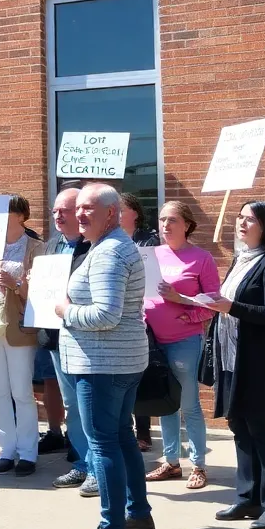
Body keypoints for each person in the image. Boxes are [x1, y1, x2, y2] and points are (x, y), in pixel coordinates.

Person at [55, 183, 153, 529]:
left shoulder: (109, 252)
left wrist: (65, 311)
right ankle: (138, 513)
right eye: (78, 207)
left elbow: (105, 314)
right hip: (118, 361)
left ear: (111, 213)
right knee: (121, 437)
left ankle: (112, 526)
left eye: (88, 208)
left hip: (103, 364)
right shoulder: (111, 247)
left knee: (104, 443)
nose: (80, 214)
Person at [203, 201, 265, 529]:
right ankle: (248, 498)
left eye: (250, 219)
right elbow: (231, 306)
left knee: (259, 428)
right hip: (231, 357)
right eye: (239, 217)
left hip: (259, 360)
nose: (241, 223)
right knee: (239, 425)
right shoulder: (241, 260)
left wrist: (231, 306)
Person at [143, 201, 220, 490]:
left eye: (172, 220)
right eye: (162, 219)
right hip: (152, 340)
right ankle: (171, 461)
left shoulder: (201, 258)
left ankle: (198, 464)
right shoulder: (150, 255)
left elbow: (213, 303)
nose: (165, 225)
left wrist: (185, 307)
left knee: (188, 404)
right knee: (164, 403)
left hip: (184, 340)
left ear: (187, 224)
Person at [0, 195, 43, 476]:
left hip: (19, 328)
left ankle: (28, 452)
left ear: (20, 215)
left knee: (22, 392)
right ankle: (5, 450)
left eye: (6, 211)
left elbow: (41, 292)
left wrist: (16, 284)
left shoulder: (36, 248)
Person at [47, 188, 96, 497]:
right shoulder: (50, 246)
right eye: (55, 211)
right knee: (70, 405)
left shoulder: (93, 247)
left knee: (88, 405)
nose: (59, 216)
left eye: (64, 210)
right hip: (55, 336)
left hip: (86, 338)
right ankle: (81, 462)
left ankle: (97, 468)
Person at [119, 192, 159, 451]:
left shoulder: (149, 240)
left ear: (135, 212)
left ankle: (143, 432)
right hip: (120, 313)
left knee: (142, 375)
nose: (117, 214)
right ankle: (125, 429)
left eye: (121, 209)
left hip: (147, 314)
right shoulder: (111, 240)